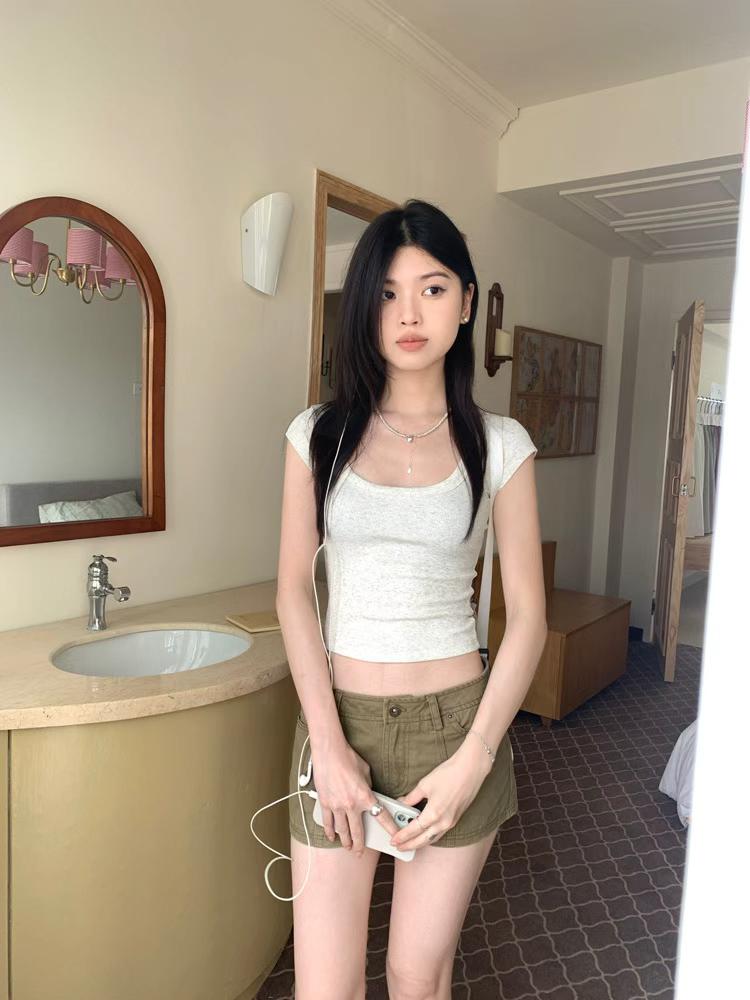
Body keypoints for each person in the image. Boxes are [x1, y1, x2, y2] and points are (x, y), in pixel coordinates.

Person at [276, 199, 548, 1000]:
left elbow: (529, 619)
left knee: (415, 977)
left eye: (431, 289)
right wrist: (327, 744)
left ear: (466, 303)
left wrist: (475, 760)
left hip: (456, 728)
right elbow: (292, 592)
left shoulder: (501, 445)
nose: (408, 314)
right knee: (326, 987)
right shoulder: (316, 435)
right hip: (339, 721)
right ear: (365, 308)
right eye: (388, 293)